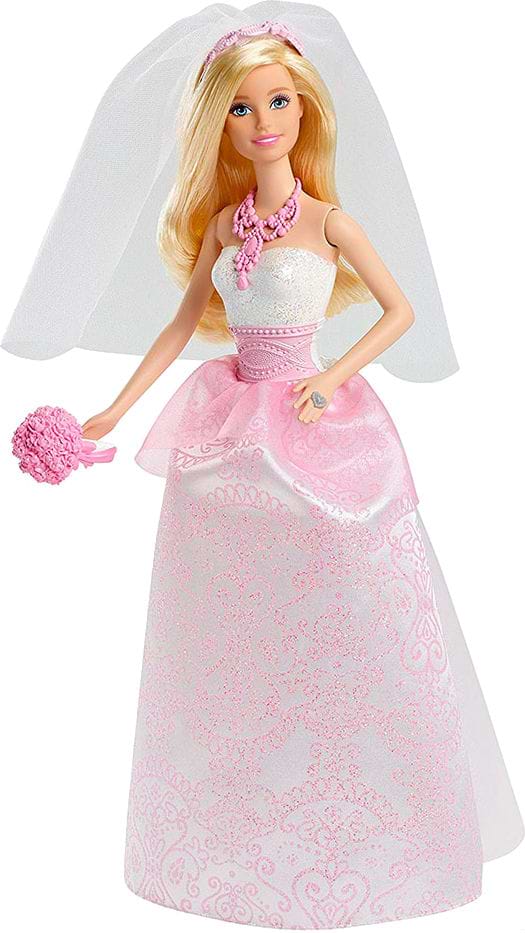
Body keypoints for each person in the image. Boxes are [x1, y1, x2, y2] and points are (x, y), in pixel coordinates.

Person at [2, 4, 523, 927]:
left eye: (277, 101)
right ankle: (237, 814)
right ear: (219, 123)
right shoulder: (221, 226)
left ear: (305, 107)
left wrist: (331, 374)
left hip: (314, 423)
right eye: (241, 108)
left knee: (351, 607)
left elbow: (397, 311)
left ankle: (374, 806)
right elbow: (179, 327)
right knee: (229, 625)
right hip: (229, 428)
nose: (262, 121)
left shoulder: (328, 221)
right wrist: (116, 407)